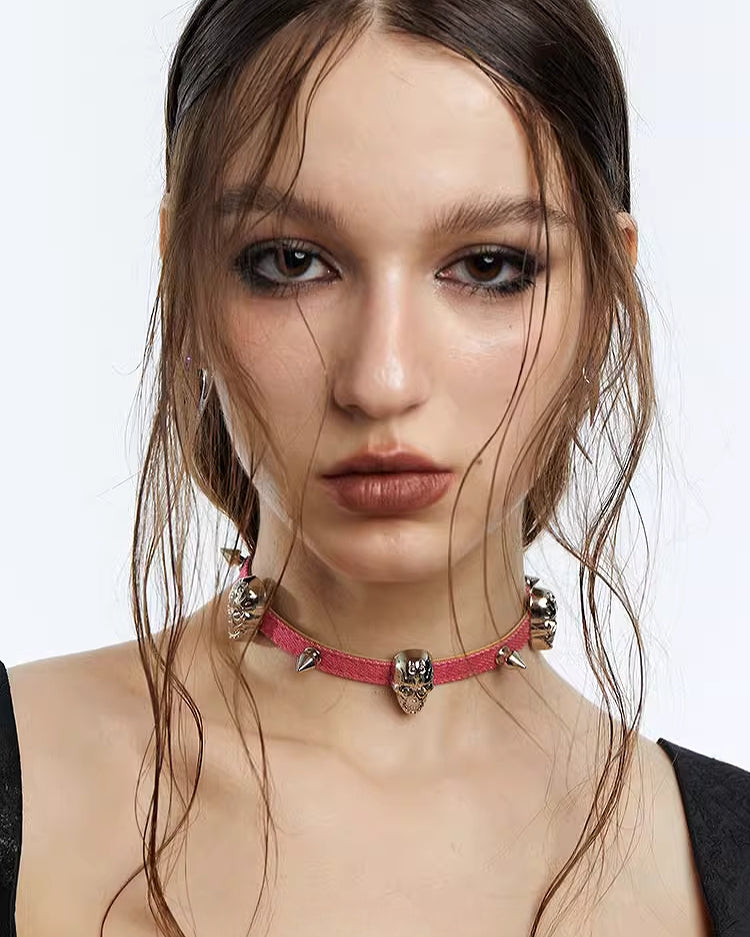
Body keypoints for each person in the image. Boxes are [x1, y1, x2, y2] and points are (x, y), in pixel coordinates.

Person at [1, 1, 748, 935]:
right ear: (183, 281)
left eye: (489, 267)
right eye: (290, 262)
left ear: (605, 297)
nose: (381, 380)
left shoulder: (718, 851)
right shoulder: (26, 775)